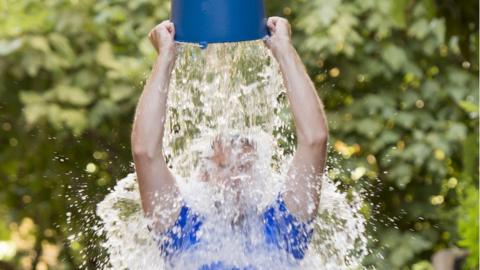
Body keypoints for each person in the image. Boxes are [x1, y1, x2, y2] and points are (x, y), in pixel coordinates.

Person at [131, 17, 329, 269]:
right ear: (203, 176)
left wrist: (284, 49)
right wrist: (165, 57)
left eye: (244, 166)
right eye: (223, 167)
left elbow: (315, 139)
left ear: (261, 173)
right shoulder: (181, 231)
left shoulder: (284, 228)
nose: (235, 177)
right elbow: (144, 152)